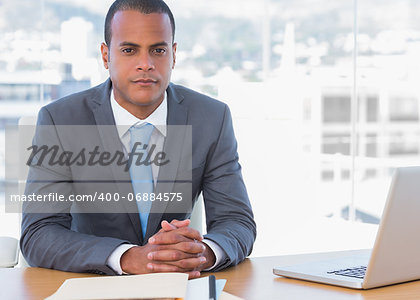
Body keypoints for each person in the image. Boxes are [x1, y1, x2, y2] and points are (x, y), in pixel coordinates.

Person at [20, 0, 256, 278]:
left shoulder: (211, 118)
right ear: (106, 56)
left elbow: (237, 221)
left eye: (158, 50)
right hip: (92, 285)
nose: (146, 64)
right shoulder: (61, 121)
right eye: (129, 50)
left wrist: (203, 252)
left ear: (174, 55)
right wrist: (127, 257)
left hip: (179, 286)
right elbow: (38, 233)